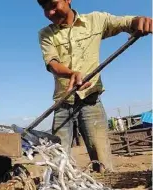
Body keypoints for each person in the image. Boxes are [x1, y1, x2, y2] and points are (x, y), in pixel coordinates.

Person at [37, 0, 152, 172]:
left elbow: (125, 22)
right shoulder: (46, 33)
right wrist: (70, 74)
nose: (50, 12)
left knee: (102, 163)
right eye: (45, 9)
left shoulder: (96, 20)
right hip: (62, 104)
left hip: (91, 101)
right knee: (58, 163)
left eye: (54, 5)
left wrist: (138, 21)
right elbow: (52, 63)